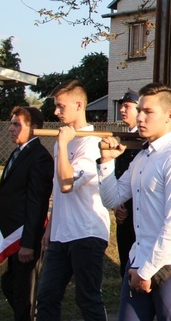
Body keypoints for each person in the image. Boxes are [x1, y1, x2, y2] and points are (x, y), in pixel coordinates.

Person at [99, 83, 171, 320]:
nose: (140, 117)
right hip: (140, 259)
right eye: (140, 110)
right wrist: (105, 161)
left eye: (148, 111)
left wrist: (146, 272)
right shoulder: (142, 158)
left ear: (169, 115)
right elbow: (111, 198)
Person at [36, 79, 110, 321]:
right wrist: (51, 224)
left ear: (79, 105)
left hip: (86, 233)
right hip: (61, 233)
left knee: (87, 299)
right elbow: (58, 190)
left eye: (60, 107)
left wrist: (62, 142)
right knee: (46, 296)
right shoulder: (65, 140)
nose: (56, 112)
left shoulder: (90, 142)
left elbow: (67, 184)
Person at [0, 106, 53, 321]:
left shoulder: (39, 157)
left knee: (24, 295)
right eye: (11, 123)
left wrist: (28, 243)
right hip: (12, 234)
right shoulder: (19, 152)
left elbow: (37, 202)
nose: (10, 128)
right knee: (9, 285)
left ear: (34, 128)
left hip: (25, 237)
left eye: (17, 124)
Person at [114, 90, 140, 277]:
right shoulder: (122, 139)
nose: (122, 109)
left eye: (127, 106)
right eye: (121, 106)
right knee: (125, 258)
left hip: (138, 208)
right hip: (122, 207)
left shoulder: (142, 140)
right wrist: (117, 205)